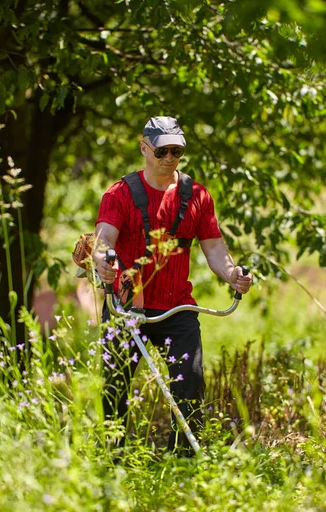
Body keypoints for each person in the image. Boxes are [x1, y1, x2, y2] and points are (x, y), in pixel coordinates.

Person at [92, 116, 252, 455]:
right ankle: (114, 457)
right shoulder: (119, 194)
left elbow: (214, 247)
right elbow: (104, 238)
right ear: (144, 148)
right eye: (162, 150)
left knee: (191, 382)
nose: (169, 158)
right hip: (127, 304)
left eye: (176, 151)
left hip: (177, 306)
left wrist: (233, 274)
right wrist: (103, 260)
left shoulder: (197, 196)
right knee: (115, 386)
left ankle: (181, 460)